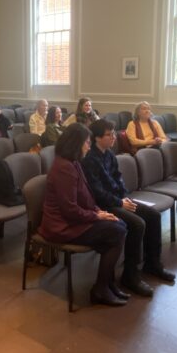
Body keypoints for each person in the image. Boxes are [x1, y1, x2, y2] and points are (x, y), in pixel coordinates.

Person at [40, 123, 128, 307]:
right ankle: (101, 289)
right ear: (75, 144)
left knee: (118, 226)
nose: (89, 146)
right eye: (86, 142)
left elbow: (86, 196)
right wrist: (96, 216)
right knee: (116, 231)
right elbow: (69, 210)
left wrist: (98, 211)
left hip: (73, 220)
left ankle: (106, 285)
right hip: (62, 226)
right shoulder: (64, 168)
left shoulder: (73, 162)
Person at [83, 119, 173, 296]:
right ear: (97, 138)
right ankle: (130, 275)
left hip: (119, 200)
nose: (113, 137)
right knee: (137, 224)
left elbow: (118, 178)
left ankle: (152, 264)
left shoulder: (108, 154)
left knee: (153, 216)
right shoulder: (89, 160)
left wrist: (124, 197)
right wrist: (119, 202)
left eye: (113, 133)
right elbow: (97, 192)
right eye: (109, 135)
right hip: (104, 206)